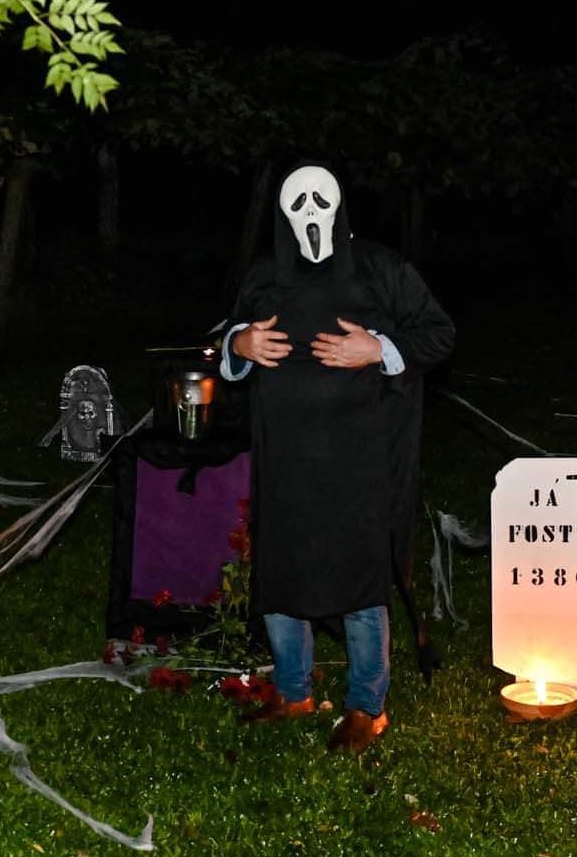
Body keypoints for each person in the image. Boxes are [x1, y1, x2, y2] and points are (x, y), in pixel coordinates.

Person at [218, 161, 455, 752]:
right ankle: (294, 690)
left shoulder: (380, 269)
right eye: (297, 204)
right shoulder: (267, 273)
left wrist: (379, 348)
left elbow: (438, 333)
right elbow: (228, 340)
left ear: (341, 205)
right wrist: (238, 344)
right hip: (285, 456)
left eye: (320, 201)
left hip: (359, 457)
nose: (310, 215)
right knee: (282, 567)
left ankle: (366, 706)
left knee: (358, 571)